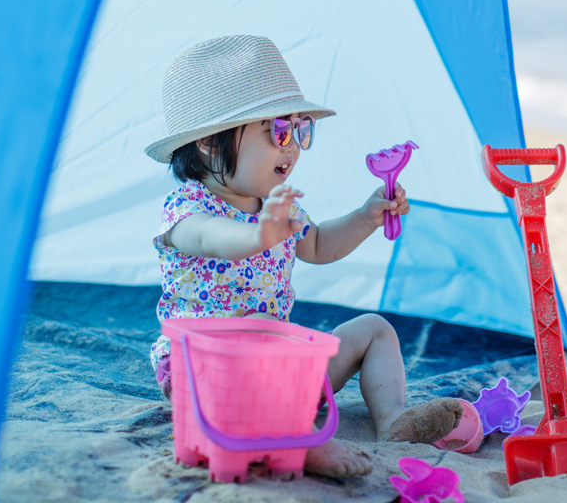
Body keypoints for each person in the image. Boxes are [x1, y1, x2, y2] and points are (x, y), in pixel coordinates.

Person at [144, 35, 463, 478]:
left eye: (300, 130)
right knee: (250, 375)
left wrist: (366, 216)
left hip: (281, 369)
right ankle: (300, 442)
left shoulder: (280, 206)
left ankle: (391, 419)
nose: (291, 145)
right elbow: (213, 239)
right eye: (277, 131)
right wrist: (260, 235)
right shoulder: (188, 208)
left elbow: (318, 245)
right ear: (211, 145)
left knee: (374, 330)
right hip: (209, 378)